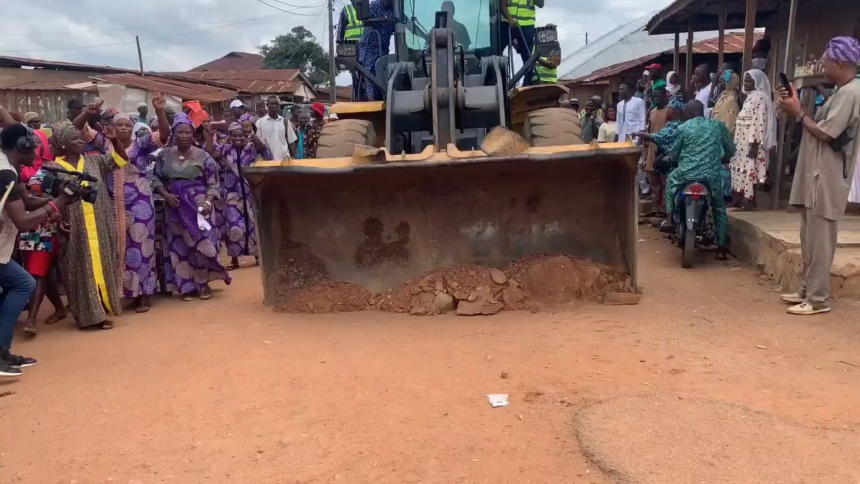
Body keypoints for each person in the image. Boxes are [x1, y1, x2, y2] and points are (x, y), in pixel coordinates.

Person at [777, 36, 860, 316]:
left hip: (828, 176)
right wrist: (798, 107)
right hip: (817, 174)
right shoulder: (842, 91)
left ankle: (818, 299)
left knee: (821, 239)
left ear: (839, 62)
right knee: (810, 237)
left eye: (825, 63)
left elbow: (826, 133)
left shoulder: (851, 93)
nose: (822, 67)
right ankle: (808, 291)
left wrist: (799, 113)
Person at [0, 119, 78, 376]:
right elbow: (22, 221)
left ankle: (2, 351)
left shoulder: (8, 167)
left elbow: (27, 200)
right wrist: (57, 204)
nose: (37, 150)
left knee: (19, 284)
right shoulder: (6, 173)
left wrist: (60, 198)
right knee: (24, 283)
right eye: (33, 146)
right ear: (20, 146)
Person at [50, 109, 132, 330]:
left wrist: (114, 141)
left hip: (100, 223)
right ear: (63, 144)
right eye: (74, 139)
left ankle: (102, 308)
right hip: (74, 228)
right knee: (79, 270)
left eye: (80, 138)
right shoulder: (53, 169)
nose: (80, 141)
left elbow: (122, 160)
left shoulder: (94, 161)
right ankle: (89, 317)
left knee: (102, 264)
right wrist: (58, 220)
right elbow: (49, 201)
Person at [152, 113, 231, 301]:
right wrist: (165, 195)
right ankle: (186, 286)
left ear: (193, 134)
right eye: (180, 132)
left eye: (188, 132)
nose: (184, 135)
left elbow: (213, 184)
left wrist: (207, 202)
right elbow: (154, 178)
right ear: (174, 133)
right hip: (173, 205)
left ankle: (203, 283)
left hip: (198, 207)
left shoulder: (203, 156)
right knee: (178, 245)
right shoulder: (164, 155)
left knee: (200, 243)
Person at [109, 93, 171, 313]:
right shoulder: (106, 145)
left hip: (140, 203)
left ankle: (144, 293)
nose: (123, 128)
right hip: (114, 205)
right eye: (119, 125)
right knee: (120, 249)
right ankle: (126, 292)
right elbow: (81, 132)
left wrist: (160, 111)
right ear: (113, 127)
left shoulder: (141, 145)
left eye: (127, 125)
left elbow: (164, 134)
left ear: (133, 127)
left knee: (141, 246)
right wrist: (88, 114)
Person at [664, 100, 735, 260]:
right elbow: (731, 150)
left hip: (685, 174)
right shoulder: (718, 126)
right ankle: (722, 248)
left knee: (670, 182)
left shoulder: (683, 128)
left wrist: (670, 159)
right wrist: (722, 158)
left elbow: (674, 154)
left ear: (688, 114)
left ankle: (668, 220)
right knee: (718, 207)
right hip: (711, 176)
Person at [208, 115, 270, 270]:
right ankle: (234, 260)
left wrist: (251, 133)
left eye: (241, 135)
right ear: (230, 137)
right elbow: (210, 153)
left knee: (253, 225)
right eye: (234, 136)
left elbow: (263, 149)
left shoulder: (251, 148)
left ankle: (257, 257)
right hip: (232, 195)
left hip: (251, 194)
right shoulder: (226, 149)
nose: (238, 138)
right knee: (233, 227)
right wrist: (209, 137)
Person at [729, 69, 776, 210]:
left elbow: (758, 121)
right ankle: (738, 196)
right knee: (740, 169)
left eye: (749, 81)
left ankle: (750, 201)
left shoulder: (759, 98)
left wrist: (754, 143)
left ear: (758, 82)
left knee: (750, 169)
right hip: (742, 141)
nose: (746, 83)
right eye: (745, 80)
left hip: (751, 141)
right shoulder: (751, 96)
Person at [500, 0, 544, 87]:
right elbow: (502, 6)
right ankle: (494, 80)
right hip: (507, 23)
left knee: (528, 57)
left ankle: (526, 84)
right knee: (496, 50)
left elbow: (540, 4)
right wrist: (510, 19)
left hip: (526, 25)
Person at [359, 0, 397, 100]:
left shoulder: (395, 11)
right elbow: (365, 20)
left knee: (385, 71)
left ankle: (385, 96)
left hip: (383, 49)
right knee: (368, 70)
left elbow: (405, 25)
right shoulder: (374, 6)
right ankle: (371, 99)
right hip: (368, 47)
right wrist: (378, 19)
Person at [642, 86, 670, 216]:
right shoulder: (652, 112)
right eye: (654, 95)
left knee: (664, 181)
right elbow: (648, 132)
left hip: (664, 151)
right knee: (653, 181)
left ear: (666, 96)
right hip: (652, 151)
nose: (655, 98)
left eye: (658, 95)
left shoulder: (670, 111)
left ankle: (664, 210)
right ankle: (655, 208)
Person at [256, 96, 297, 162]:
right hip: (268, 161)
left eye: (276, 104)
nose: (274, 105)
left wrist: (295, 159)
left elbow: (291, 142)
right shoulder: (259, 123)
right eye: (272, 104)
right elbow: (258, 144)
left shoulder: (285, 122)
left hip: (284, 160)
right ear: (267, 105)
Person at [712, 71, 742, 135]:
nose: (718, 84)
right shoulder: (723, 96)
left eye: (721, 82)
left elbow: (729, 124)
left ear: (728, 83)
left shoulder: (731, 100)